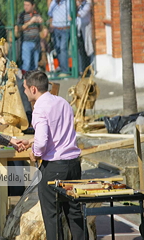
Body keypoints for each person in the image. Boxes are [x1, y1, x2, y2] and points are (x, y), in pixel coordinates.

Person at [22, 70, 85, 239]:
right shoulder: (63, 102)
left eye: (25, 88)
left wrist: (35, 152)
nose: (24, 92)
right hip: (73, 163)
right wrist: (35, 142)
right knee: (74, 212)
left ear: (33, 89)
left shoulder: (39, 108)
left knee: (52, 216)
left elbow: (43, 142)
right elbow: (58, 133)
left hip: (54, 166)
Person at [16, 0, 43, 72]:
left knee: (35, 64)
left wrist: (41, 23)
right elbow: (19, 29)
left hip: (36, 42)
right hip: (26, 42)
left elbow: (40, 30)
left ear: (33, 6)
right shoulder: (22, 15)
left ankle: (33, 80)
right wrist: (30, 22)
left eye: (27, 5)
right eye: (24, 5)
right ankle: (24, 79)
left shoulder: (37, 14)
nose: (25, 7)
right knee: (26, 63)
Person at [48, 0, 71, 77]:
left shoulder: (67, 2)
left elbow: (72, 14)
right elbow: (50, 14)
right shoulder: (53, 3)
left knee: (63, 48)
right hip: (56, 29)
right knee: (57, 48)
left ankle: (65, 71)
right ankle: (60, 67)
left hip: (65, 28)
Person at [76, 0, 94, 76]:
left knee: (88, 49)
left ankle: (90, 69)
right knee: (81, 50)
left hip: (86, 30)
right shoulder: (80, 5)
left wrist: (75, 11)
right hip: (79, 30)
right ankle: (82, 70)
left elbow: (82, 14)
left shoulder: (88, 4)